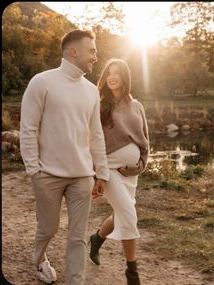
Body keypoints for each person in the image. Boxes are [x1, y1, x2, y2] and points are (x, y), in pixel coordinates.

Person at [20, 29, 109, 285]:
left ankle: (75, 281)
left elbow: (96, 134)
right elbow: (28, 128)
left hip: (82, 176)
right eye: (91, 50)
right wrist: (33, 170)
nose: (95, 56)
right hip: (47, 175)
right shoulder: (42, 82)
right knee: (48, 228)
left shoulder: (92, 91)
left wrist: (101, 172)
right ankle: (39, 260)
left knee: (78, 236)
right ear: (74, 51)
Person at [89, 58, 149, 285]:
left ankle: (96, 239)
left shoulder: (137, 106)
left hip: (130, 173)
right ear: (104, 78)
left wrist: (139, 165)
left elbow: (145, 141)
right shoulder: (99, 104)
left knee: (121, 213)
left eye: (117, 73)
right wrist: (98, 174)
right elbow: (92, 141)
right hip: (108, 170)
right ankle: (132, 272)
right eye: (109, 73)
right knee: (128, 213)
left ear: (125, 77)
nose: (112, 77)